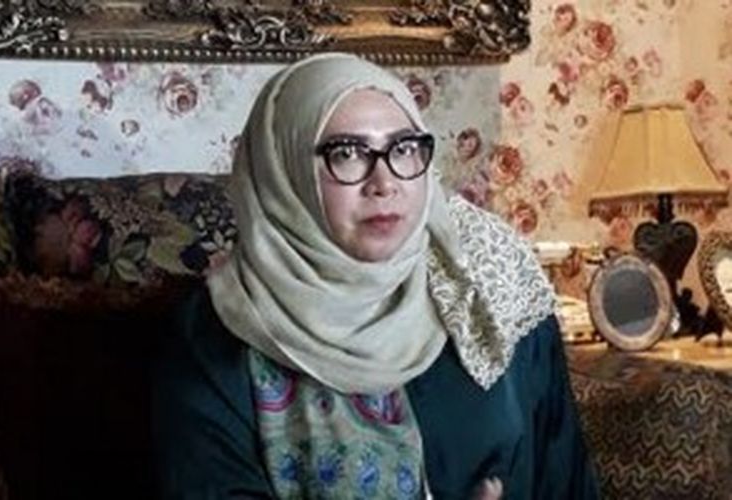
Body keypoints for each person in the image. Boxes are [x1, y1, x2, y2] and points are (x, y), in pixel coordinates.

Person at [151, 53, 599, 499]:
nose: (385, 183)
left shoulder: (485, 278)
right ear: (285, 172)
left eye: (403, 148)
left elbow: (564, 475)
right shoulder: (215, 336)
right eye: (347, 154)